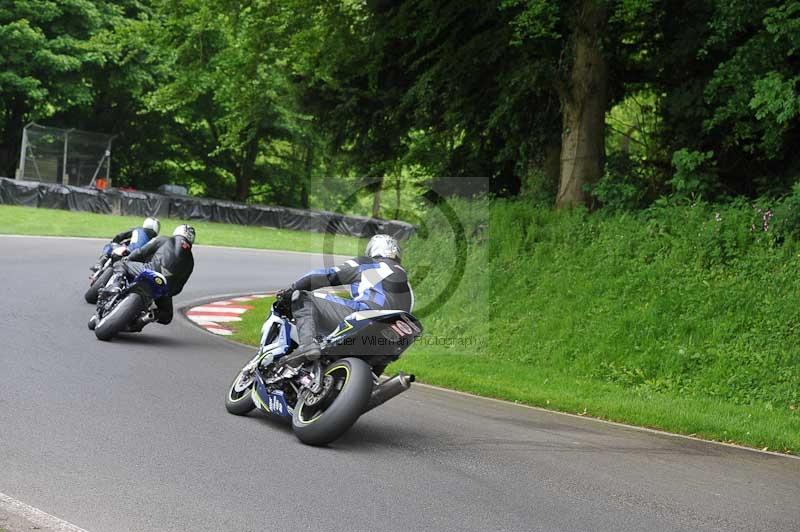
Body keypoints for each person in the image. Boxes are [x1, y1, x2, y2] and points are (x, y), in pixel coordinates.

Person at [277, 234, 413, 365]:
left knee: (303, 298)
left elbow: (327, 275)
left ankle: (306, 344)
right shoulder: (407, 283)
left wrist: (292, 289)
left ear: (373, 249)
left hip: (366, 316)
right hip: (396, 333)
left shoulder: (370, 263)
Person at [90, 225, 195, 330]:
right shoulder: (191, 261)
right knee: (167, 316)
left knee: (121, 263)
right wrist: (167, 293)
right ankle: (146, 318)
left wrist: (128, 258)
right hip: (164, 287)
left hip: (149, 271)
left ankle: (116, 287)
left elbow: (141, 252)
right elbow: (179, 286)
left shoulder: (164, 239)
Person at [91, 217, 161, 272]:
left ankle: (100, 262)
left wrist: (115, 241)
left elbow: (122, 235)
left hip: (128, 251)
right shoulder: (156, 239)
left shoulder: (138, 229)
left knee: (110, 245)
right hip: (140, 260)